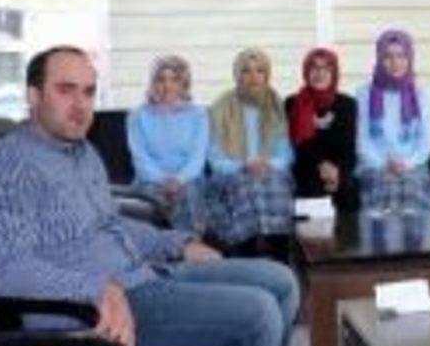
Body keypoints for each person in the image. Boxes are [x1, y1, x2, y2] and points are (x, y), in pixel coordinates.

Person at [0, 46, 307, 346]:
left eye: (89, 92)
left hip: (142, 275)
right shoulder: (8, 164)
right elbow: (7, 269)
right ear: (33, 96)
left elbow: (111, 225)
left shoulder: (81, 152)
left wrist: (175, 243)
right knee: (257, 316)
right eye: (66, 90)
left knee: (281, 282)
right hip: (97, 312)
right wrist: (96, 288)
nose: (81, 105)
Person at [205, 48, 296, 259]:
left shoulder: (275, 105)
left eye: (259, 70)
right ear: (237, 75)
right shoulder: (221, 107)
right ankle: (246, 254)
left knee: (274, 185)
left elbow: (286, 154)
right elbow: (214, 158)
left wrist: (268, 163)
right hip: (232, 172)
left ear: (267, 75)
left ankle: (280, 254)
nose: (253, 76)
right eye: (246, 71)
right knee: (247, 186)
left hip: (269, 171)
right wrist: (243, 164)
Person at [354, 29, 430, 215]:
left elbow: (425, 144)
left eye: (401, 56)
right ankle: (380, 234)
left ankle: (415, 235)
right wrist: (384, 164)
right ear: (379, 59)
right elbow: (362, 143)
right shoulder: (364, 94)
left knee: (411, 189)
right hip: (374, 165)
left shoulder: (420, 96)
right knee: (385, 187)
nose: (395, 63)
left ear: (410, 59)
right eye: (388, 57)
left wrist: (407, 164)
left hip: (413, 166)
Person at [126, 54, 209, 234]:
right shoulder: (137, 116)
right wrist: (162, 180)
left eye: (174, 80)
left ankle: (189, 245)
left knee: (188, 193)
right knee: (152, 197)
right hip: (150, 179)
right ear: (153, 83)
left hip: (188, 179)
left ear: (184, 83)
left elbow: (197, 158)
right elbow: (140, 159)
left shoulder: (198, 115)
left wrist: (179, 180)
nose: (167, 85)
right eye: (161, 79)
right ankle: (155, 246)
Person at [285, 47, 359, 212]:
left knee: (349, 190)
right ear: (306, 72)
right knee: (312, 187)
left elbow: (350, 148)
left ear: (334, 73)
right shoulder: (293, 103)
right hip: (305, 169)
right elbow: (297, 146)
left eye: (326, 68)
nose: (320, 73)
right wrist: (322, 166)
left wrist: (337, 171)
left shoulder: (347, 105)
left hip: (339, 171)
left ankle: (347, 229)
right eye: (314, 68)